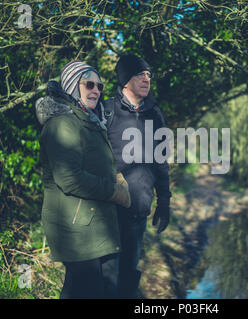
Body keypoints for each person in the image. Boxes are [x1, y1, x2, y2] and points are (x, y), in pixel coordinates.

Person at [35, 60, 131, 299]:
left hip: (98, 225)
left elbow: (95, 163)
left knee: (105, 290)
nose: (96, 90)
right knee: (84, 291)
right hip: (77, 229)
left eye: (99, 85)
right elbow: (69, 178)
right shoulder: (62, 124)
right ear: (71, 86)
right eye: (89, 84)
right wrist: (114, 191)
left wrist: (117, 177)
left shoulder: (90, 120)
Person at [104, 54, 172, 298]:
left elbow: (161, 162)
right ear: (125, 80)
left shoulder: (155, 114)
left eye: (149, 75)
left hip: (138, 211)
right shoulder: (106, 111)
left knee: (129, 277)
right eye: (140, 74)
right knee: (106, 279)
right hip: (107, 212)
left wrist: (164, 201)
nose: (147, 79)